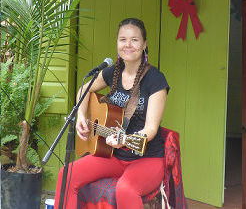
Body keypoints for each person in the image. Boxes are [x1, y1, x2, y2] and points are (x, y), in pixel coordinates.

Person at [54, 18, 170, 209]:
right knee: (67, 174)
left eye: (134, 40)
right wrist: (81, 117)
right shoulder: (112, 73)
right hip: (113, 155)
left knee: (125, 189)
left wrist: (125, 139)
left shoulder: (156, 80)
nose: (128, 45)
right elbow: (84, 90)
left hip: (147, 158)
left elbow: (151, 129)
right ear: (117, 43)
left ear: (144, 44)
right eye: (122, 39)